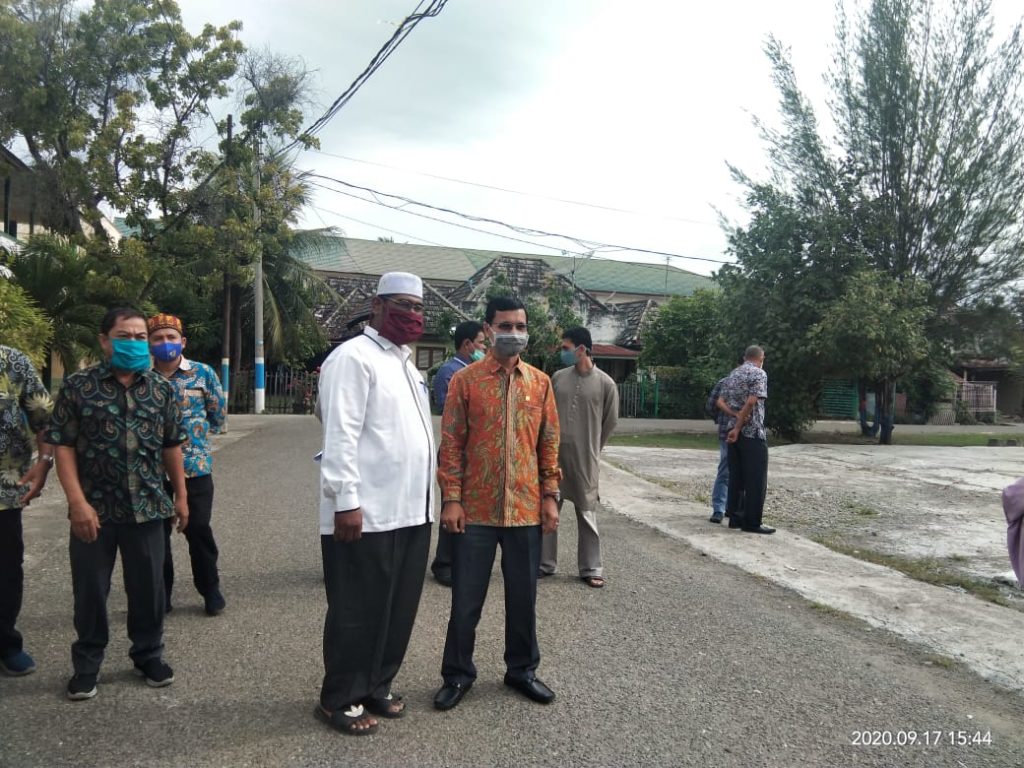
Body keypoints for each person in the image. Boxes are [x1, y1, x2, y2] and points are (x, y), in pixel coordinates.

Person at [315, 272, 435, 736]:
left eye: (418, 307)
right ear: (377, 306)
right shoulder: (353, 357)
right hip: (365, 512)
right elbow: (339, 434)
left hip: (412, 511)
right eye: (403, 305)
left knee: (396, 610)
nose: (412, 315)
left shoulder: (408, 366)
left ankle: (376, 684)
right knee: (356, 611)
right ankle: (338, 698)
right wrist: (346, 500)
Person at [47, 307, 188, 700]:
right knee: (90, 592)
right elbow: (63, 446)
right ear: (104, 341)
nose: (135, 343)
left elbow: (172, 446)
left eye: (141, 337)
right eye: (124, 336)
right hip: (95, 511)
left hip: (149, 507)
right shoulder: (78, 387)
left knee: (149, 590)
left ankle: (148, 655)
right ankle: (87, 664)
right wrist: (77, 503)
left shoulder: (161, 390)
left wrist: (181, 496)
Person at [434, 296, 561, 712]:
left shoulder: (540, 383)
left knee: (523, 598)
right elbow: (451, 444)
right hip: (475, 510)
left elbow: (549, 444)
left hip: (525, 509)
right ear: (487, 330)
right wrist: (452, 499)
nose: (514, 333)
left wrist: (550, 496)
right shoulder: (465, 381)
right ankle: (457, 674)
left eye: (520, 326)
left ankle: (522, 670)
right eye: (505, 326)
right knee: (466, 599)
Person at [148, 314, 227, 616]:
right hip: (152, 472)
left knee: (198, 529)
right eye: (158, 338)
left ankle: (210, 589)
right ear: (149, 344)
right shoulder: (142, 378)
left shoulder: (203, 374)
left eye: (171, 337)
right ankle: (161, 594)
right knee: (156, 536)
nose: (165, 343)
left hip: (195, 468)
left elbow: (217, 415)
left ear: (182, 342)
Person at [540, 327, 618, 588]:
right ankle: (544, 563)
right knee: (549, 507)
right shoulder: (558, 378)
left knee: (586, 511)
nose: (562, 352)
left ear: (582, 349)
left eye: (566, 348)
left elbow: (610, 422)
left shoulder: (606, 384)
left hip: (586, 458)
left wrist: (594, 448)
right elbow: (546, 415)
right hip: (554, 456)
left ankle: (591, 567)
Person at [0, 345, 54, 677]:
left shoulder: (12, 361)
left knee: (6, 570)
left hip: (4, 489)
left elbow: (44, 419)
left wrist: (44, 462)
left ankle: (6, 643)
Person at [429, 320, 486, 587]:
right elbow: (449, 409)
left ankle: (463, 561)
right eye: (482, 343)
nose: (485, 348)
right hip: (455, 450)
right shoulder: (451, 372)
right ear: (467, 345)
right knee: (452, 506)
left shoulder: (477, 371)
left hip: (474, 451)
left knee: (470, 509)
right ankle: (444, 563)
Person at [718, 345, 774, 535]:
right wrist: (740, 423)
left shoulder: (733, 374)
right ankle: (752, 522)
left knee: (737, 477)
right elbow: (752, 401)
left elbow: (720, 402)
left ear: (745, 357)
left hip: (732, 433)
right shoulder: (759, 374)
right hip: (752, 432)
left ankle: (735, 517)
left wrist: (734, 417)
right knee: (756, 479)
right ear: (761, 358)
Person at [705, 374, 732, 524]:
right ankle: (723, 508)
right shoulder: (726, 382)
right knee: (728, 471)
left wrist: (720, 419)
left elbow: (710, 406)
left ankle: (721, 508)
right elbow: (711, 405)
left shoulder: (724, 381)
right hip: (731, 432)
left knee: (725, 470)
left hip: (726, 430)